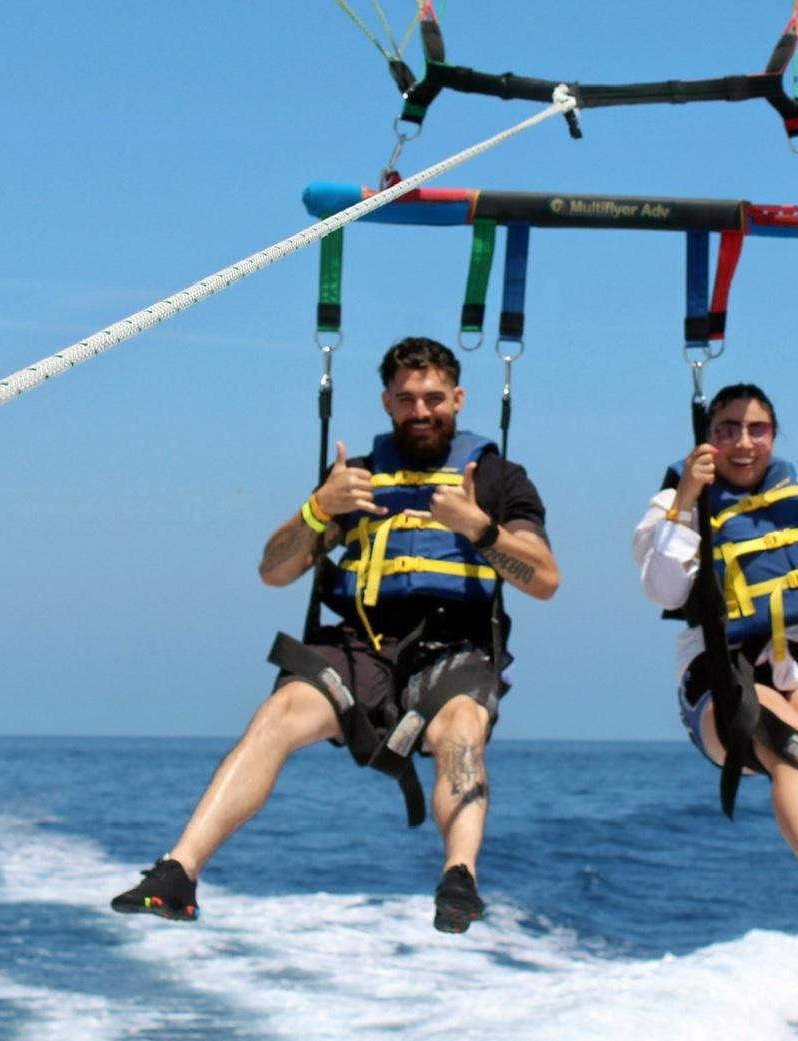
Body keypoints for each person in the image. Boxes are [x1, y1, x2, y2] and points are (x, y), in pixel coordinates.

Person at [113, 337, 558, 933]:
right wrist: (318, 510)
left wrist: (479, 528)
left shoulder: (498, 477)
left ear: (458, 398)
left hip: (455, 647)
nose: (421, 411)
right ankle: (178, 873)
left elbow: (544, 579)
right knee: (278, 713)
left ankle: (459, 878)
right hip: (358, 643)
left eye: (433, 399)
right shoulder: (356, 478)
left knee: (461, 730)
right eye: (406, 400)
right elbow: (274, 571)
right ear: (386, 403)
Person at [633, 382, 798, 977]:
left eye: (756, 429)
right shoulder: (673, 502)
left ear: (773, 437)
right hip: (719, 667)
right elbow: (664, 589)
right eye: (727, 428)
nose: (743, 442)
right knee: (797, 752)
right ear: (708, 438)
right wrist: (687, 496)